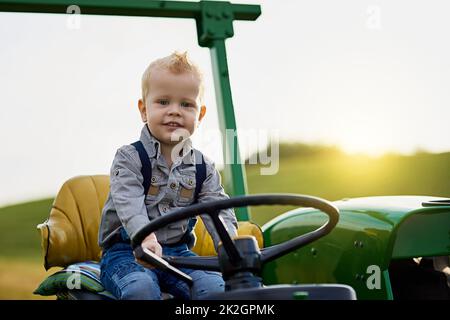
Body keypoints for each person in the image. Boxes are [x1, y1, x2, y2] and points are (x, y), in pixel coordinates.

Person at [98, 51, 238, 300]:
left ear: (200, 114)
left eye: (186, 104)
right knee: (141, 289)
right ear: (143, 109)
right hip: (127, 251)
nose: (175, 111)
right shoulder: (130, 158)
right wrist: (145, 237)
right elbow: (129, 204)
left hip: (178, 253)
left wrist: (228, 244)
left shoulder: (203, 167)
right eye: (163, 102)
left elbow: (216, 209)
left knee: (216, 290)